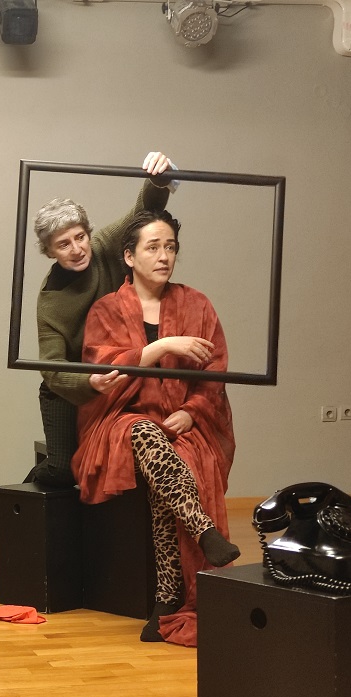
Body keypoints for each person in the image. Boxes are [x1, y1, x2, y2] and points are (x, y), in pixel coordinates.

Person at [73, 209, 239, 645]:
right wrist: (163, 345)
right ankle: (204, 531)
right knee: (146, 435)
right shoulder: (107, 309)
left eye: (171, 247)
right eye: (153, 247)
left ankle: (167, 597)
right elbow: (105, 372)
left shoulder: (197, 304)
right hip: (120, 418)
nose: (164, 256)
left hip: (182, 419)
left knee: (168, 465)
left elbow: (215, 373)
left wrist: (193, 411)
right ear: (129, 257)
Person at [25, 152, 175, 488]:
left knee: (123, 462)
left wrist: (158, 178)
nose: (77, 249)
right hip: (70, 389)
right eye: (63, 244)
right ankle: (24, 496)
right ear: (50, 252)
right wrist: (88, 382)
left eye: (80, 237)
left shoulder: (105, 246)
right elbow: (52, 368)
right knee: (64, 471)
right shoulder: (50, 300)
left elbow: (143, 212)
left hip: (120, 375)